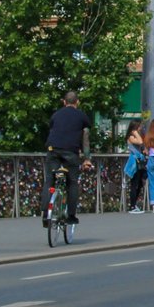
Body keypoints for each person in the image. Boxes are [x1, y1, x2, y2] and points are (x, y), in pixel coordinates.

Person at [43, 90, 93, 226]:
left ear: (64, 102)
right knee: (72, 182)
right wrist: (87, 158)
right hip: (70, 153)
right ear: (77, 102)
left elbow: (53, 131)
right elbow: (86, 138)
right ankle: (71, 215)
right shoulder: (82, 116)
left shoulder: (55, 115)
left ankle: (45, 215)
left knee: (49, 180)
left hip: (52, 150)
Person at [123, 120, 148, 213]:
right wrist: (135, 132)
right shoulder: (131, 137)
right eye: (139, 126)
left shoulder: (137, 135)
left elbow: (143, 144)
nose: (140, 128)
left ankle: (135, 204)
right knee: (134, 183)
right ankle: (132, 205)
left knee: (140, 183)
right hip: (134, 162)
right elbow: (140, 141)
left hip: (140, 161)